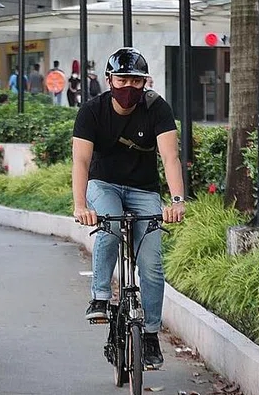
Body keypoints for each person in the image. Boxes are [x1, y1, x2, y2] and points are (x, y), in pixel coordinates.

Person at [71, 48, 186, 369]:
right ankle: (100, 297)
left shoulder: (156, 108)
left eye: (136, 81)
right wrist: (80, 205)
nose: (129, 87)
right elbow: (80, 161)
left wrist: (176, 200)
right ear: (109, 80)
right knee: (108, 228)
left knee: (151, 266)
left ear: (145, 82)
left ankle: (149, 336)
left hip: (144, 190)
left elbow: (170, 158)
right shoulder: (91, 111)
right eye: (122, 79)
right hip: (103, 184)